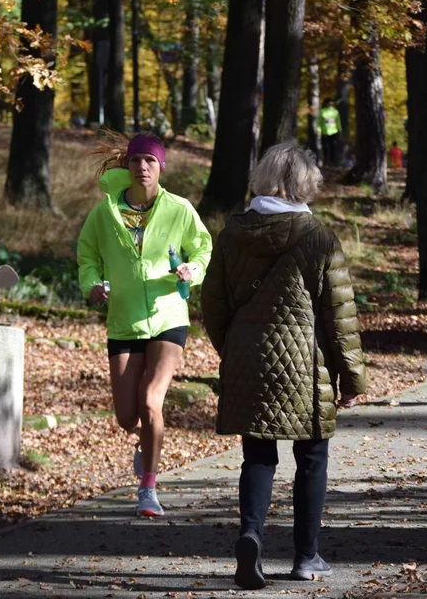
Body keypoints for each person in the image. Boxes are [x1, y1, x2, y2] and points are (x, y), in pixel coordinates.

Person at [201, 143, 366, 589]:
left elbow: (212, 304)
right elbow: (339, 315)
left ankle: (251, 535)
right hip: (304, 365)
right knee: (311, 457)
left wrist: (232, 348)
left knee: (257, 453)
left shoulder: (232, 233)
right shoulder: (318, 236)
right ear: (304, 183)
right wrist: (350, 377)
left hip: (247, 359)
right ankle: (306, 556)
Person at [77, 133, 212, 518]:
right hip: (124, 319)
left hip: (169, 314)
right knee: (126, 416)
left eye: (150, 161)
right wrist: (91, 286)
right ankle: (145, 441)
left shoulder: (179, 208)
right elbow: (87, 255)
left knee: (152, 400)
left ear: (161, 167)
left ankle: (148, 488)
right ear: (128, 166)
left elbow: (202, 247)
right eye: (136, 160)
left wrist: (192, 268)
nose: (142, 167)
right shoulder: (104, 214)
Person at [318, 98, 341, 167]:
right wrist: (319, 131)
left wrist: (340, 131)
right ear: (326, 103)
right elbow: (319, 122)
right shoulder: (322, 111)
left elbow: (338, 122)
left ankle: (332, 163)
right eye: (329, 103)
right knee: (325, 147)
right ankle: (325, 162)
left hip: (334, 132)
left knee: (333, 148)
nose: (330, 104)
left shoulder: (335, 112)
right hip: (324, 133)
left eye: (331, 103)